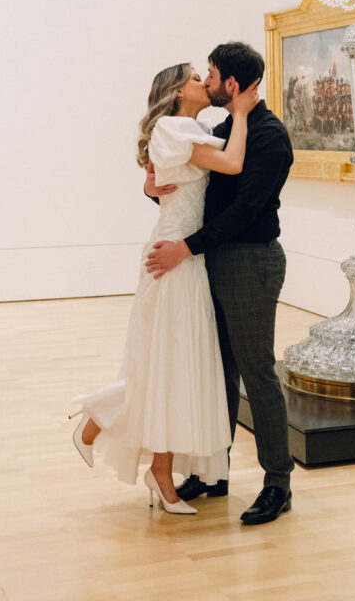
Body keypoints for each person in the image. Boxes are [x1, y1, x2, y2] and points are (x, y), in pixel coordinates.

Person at [70, 63, 259, 515]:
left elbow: (162, 181)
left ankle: (154, 462)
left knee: (174, 362)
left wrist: (152, 183)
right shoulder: (175, 126)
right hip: (173, 255)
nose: (204, 83)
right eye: (196, 78)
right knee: (168, 361)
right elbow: (232, 163)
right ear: (177, 90)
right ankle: (101, 426)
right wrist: (245, 113)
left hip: (183, 253)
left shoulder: (183, 127)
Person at [144, 41, 295, 525]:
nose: (206, 82)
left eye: (209, 75)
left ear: (231, 84)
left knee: (256, 372)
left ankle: (278, 483)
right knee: (218, 371)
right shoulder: (227, 128)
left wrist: (186, 248)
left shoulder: (270, 137)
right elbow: (192, 194)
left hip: (250, 262)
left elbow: (244, 211)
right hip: (211, 259)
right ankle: (216, 472)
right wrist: (153, 186)